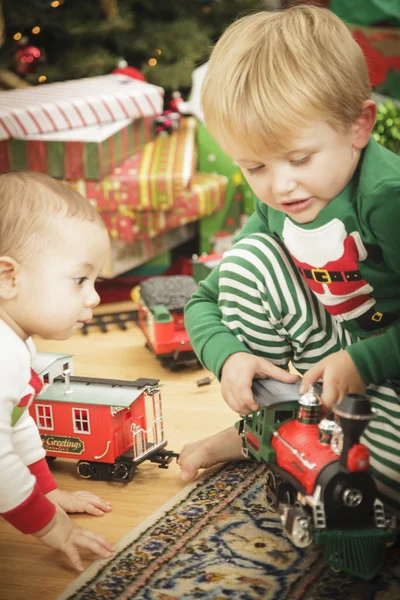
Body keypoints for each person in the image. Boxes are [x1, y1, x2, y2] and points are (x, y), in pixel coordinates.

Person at [178, 4, 400, 516]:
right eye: (254, 166)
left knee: (367, 471)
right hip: (337, 357)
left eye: (300, 159)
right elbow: (209, 297)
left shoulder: (387, 199)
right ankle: (274, 425)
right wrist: (229, 357)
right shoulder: (281, 202)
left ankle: (287, 437)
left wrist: (366, 363)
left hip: (383, 359)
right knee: (249, 261)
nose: (280, 186)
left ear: (358, 126)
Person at [0, 171, 115, 571]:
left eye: (95, 280)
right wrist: (51, 527)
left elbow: (16, 425)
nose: (95, 296)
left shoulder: (18, 345)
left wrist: (45, 492)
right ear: (9, 278)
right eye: (80, 279)